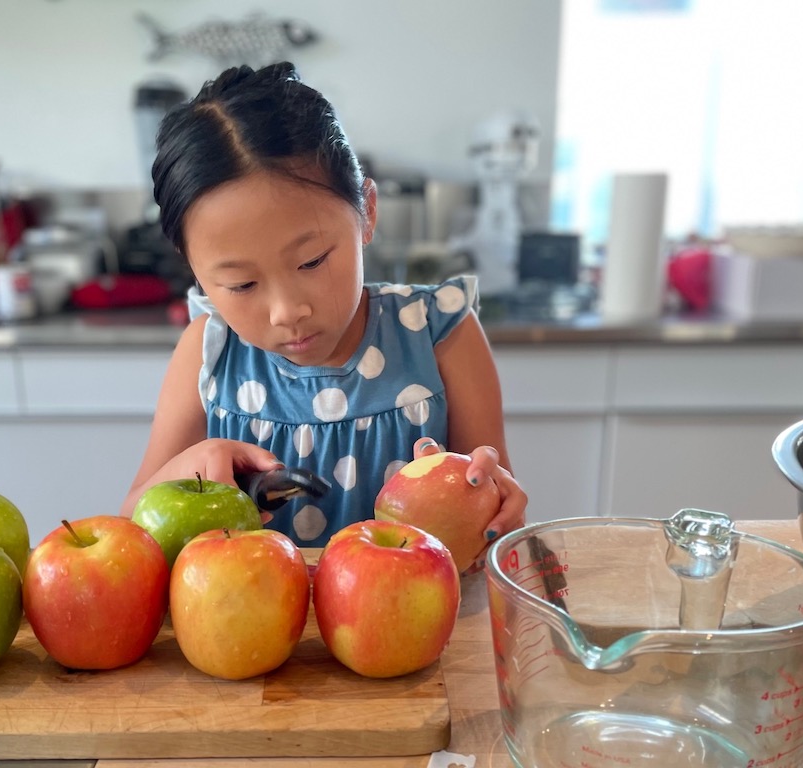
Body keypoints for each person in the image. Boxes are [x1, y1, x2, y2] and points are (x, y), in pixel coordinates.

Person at [121, 61, 526, 568]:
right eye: (241, 284)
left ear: (367, 213)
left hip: (410, 631)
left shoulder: (439, 333)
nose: (288, 311)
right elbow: (131, 521)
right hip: (250, 633)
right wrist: (187, 473)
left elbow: (499, 532)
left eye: (312, 261)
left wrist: (494, 502)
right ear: (198, 275)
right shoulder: (210, 351)